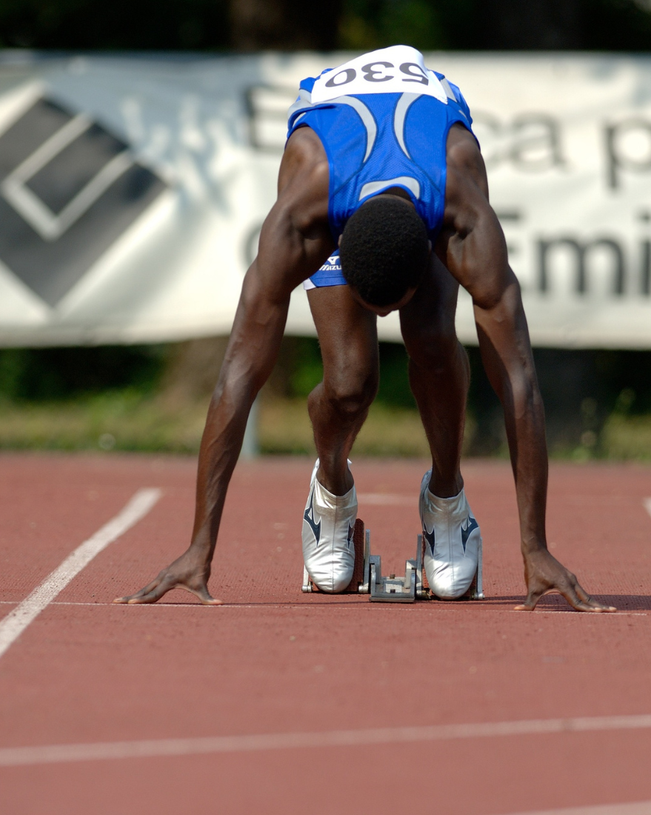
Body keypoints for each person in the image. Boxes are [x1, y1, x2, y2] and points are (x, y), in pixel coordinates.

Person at [116, 45, 614, 612]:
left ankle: (447, 499)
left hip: (425, 154)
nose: (382, 321)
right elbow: (238, 375)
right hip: (338, 154)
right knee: (350, 381)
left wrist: (535, 546)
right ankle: (329, 492)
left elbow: (519, 381)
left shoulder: (461, 205)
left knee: (432, 340)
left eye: (390, 307)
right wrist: (198, 547)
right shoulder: (304, 209)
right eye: (371, 305)